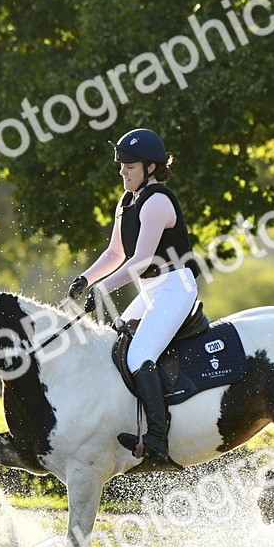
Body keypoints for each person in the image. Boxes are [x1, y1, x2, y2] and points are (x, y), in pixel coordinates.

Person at [67, 128, 201, 468]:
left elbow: (140, 260)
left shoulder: (157, 201)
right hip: (152, 289)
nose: (123, 172)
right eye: (121, 165)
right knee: (117, 345)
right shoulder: (127, 202)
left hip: (175, 286)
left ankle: (158, 438)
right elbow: (116, 252)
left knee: (140, 355)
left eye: (130, 166)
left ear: (151, 168)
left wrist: (103, 290)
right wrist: (87, 278)